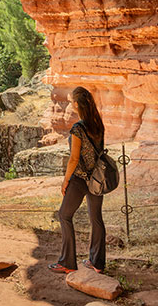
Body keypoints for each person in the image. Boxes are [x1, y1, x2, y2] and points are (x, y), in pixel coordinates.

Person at [48, 86, 106, 274]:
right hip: (97, 179)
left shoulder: (78, 128)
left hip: (80, 179)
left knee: (64, 215)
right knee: (96, 219)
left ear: (76, 104)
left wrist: (65, 181)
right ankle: (97, 263)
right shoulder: (98, 124)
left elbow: (74, 159)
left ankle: (67, 263)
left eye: (71, 100)